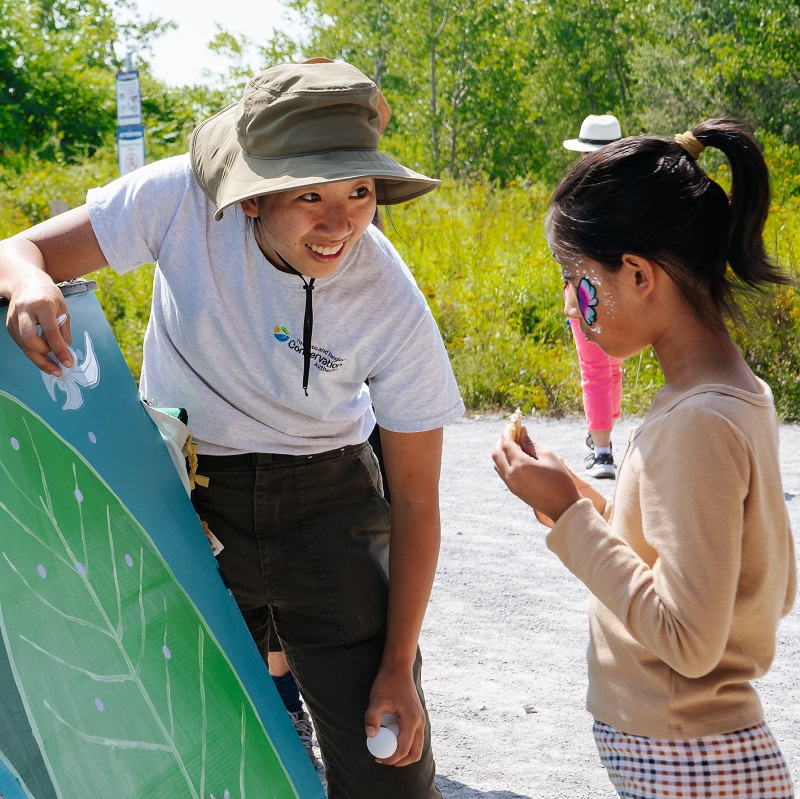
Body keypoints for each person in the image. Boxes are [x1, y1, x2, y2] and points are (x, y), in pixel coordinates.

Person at [0, 60, 465, 799]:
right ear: (249, 197)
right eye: (310, 193)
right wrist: (30, 282)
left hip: (330, 497)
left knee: (391, 764)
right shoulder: (178, 198)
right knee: (199, 750)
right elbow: (19, 250)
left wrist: (398, 665)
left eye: (360, 192)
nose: (340, 222)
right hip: (186, 494)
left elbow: (415, 501)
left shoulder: (390, 301)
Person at [493, 118, 796, 798]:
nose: (575, 302)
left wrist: (572, 513)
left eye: (578, 278)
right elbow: (746, 578)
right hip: (698, 751)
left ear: (636, 274)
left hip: (687, 759)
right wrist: (569, 492)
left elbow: (687, 636)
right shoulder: (733, 396)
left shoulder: (697, 422)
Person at [563, 114, 624, 478]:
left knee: (596, 368)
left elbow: (564, 245)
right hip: (623, 286)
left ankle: (601, 449)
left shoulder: (575, 191)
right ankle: (602, 434)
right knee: (613, 364)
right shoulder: (631, 191)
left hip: (585, 288)